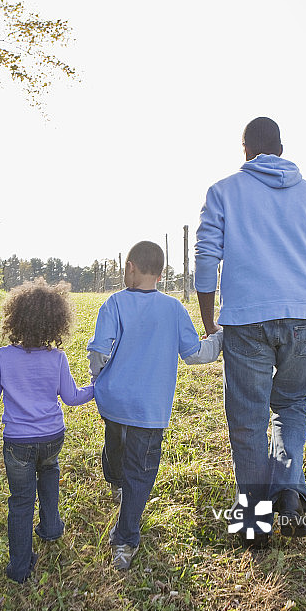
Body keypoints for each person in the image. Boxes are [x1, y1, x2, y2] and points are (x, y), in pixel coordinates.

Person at [194, 117, 306, 548]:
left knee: (248, 419)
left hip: (247, 319)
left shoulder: (224, 191)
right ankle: (288, 491)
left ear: (245, 149)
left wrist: (209, 319)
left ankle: (254, 523)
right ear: (282, 147)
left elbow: (205, 258)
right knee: (290, 405)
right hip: (304, 316)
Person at [87, 240, 223, 571]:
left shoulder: (114, 303)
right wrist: (219, 337)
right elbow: (194, 354)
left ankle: (116, 484)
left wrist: (100, 379)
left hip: (114, 402)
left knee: (115, 445)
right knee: (141, 472)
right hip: (149, 410)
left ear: (130, 267)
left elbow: (98, 353)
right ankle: (125, 541)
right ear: (161, 275)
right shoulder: (174, 308)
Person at [0, 278, 94, 583]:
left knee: (20, 499)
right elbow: (70, 397)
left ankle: (19, 567)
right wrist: (95, 390)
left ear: (14, 319)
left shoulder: (3, 357)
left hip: (18, 441)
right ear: (56, 322)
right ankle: (51, 528)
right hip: (52, 437)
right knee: (50, 471)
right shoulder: (57, 358)